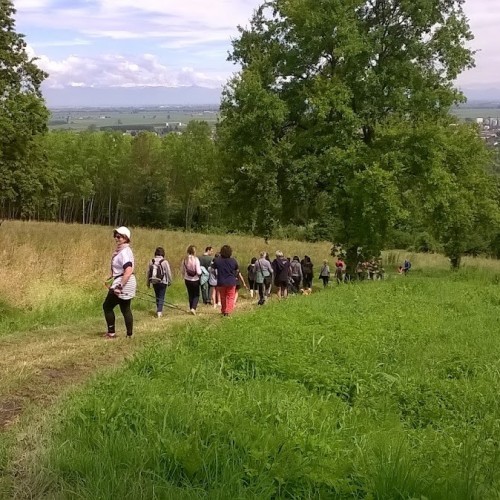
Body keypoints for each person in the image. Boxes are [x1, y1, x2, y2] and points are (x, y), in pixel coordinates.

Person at [103, 226, 136, 339]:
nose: (116, 238)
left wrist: (119, 286)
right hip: (126, 281)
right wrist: (112, 276)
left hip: (123, 282)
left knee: (107, 306)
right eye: (115, 236)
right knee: (125, 308)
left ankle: (111, 332)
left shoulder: (124, 252)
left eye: (119, 237)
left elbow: (128, 270)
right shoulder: (123, 251)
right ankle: (129, 335)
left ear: (126, 238)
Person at [212, 245, 239, 316]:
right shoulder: (233, 261)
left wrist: (216, 276)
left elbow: (212, 268)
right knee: (230, 297)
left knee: (223, 297)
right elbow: (236, 269)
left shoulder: (217, 261)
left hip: (221, 281)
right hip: (231, 281)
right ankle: (228, 311)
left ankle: (223, 310)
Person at [147, 247, 172, 318]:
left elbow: (148, 273)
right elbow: (168, 272)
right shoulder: (164, 262)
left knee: (157, 296)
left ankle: (158, 309)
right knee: (161, 296)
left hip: (154, 281)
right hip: (163, 281)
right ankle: (159, 312)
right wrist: (170, 281)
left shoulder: (151, 261)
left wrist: (148, 283)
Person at [181, 245, 201, 315]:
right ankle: (193, 308)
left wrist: (183, 276)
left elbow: (182, 270)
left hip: (187, 279)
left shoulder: (185, 259)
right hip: (195, 279)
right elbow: (198, 271)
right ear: (194, 251)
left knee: (190, 294)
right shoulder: (196, 259)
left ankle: (190, 307)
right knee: (196, 294)